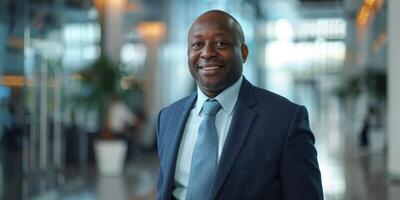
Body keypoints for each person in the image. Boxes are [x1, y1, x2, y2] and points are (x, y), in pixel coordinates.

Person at [156, 10, 323, 200]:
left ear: (243, 53)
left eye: (220, 43)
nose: (207, 53)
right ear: (188, 53)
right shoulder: (168, 117)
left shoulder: (285, 120)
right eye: (197, 44)